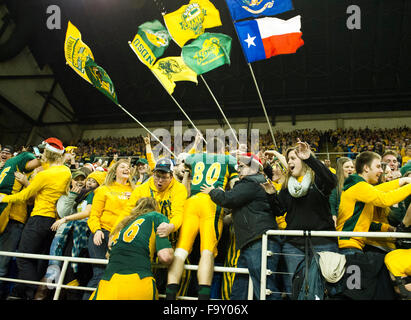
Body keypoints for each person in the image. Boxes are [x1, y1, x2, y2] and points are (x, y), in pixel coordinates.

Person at [201, 152, 284, 300]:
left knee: (265, 289)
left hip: (258, 242)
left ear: (253, 167)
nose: (238, 169)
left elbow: (228, 199)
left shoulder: (251, 183)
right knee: (241, 289)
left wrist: (212, 191)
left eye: (241, 166)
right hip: (251, 242)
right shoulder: (256, 182)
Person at [262, 139, 338, 297]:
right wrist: (271, 195)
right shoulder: (286, 188)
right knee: (295, 288)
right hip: (294, 246)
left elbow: (332, 180)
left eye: (294, 158)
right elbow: (279, 211)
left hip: (323, 242)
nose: (289, 161)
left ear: (304, 161)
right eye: (288, 159)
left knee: (327, 288)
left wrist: (310, 157)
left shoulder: (318, 182)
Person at [166, 136, 239, 300]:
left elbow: (187, 185)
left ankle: (170, 297)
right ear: (222, 149)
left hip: (191, 202)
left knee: (181, 250)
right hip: (211, 202)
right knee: (207, 252)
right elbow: (235, 187)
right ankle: (204, 298)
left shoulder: (194, 158)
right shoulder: (228, 159)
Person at [0, 138, 71, 300]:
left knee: (23, 259)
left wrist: (4, 199)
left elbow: (25, 195)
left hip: (38, 218)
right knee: (38, 259)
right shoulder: (65, 171)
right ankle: (29, 293)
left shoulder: (44, 175)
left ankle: (37, 291)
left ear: (47, 154)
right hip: (52, 221)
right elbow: (49, 165)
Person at [89, 197, 174, 300]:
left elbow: (109, 252)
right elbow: (165, 257)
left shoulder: (122, 224)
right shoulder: (156, 216)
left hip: (107, 283)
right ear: (156, 207)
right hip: (139, 280)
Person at [336, 151, 411, 255]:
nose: (381, 170)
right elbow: (385, 199)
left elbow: (378, 190)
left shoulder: (358, 185)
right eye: (378, 166)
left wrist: (402, 181)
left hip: (351, 245)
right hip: (349, 247)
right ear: (366, 168)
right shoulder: (359, 187)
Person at [83, 159, 134, 299]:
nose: (126, 169)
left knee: (116, 276)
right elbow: (94, 215)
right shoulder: (103, 189)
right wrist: (97, 230)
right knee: (100, 274)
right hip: (102, 234)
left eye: (128, 167)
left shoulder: (135, 190)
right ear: (115, 171)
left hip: (123, 238)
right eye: (122, 167)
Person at [0, 148, 42, 298]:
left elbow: (33, 200)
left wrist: (26, 183)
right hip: (5, 214)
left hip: (15, 220)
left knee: (2, 263)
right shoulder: (8, 171)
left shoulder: (33, 176)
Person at [329, 157, 355, 226]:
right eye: (347, 167)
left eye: (352, 167)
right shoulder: (335, 184)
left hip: (354, 222)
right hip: (340, 223)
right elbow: (332, 204)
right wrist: (334, 220)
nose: (350, 169)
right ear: (340, 169)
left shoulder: (357, 184)